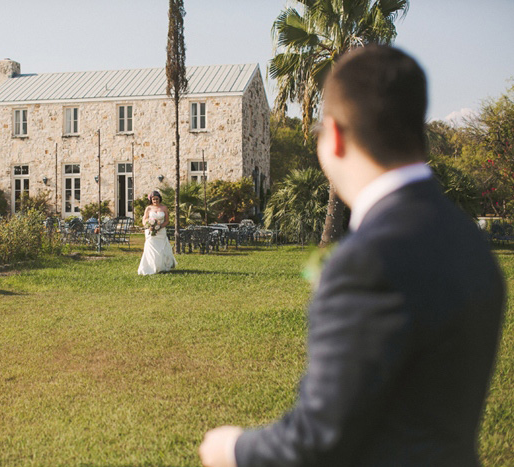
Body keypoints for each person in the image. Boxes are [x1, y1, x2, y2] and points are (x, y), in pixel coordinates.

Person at [199, 45, 505, 467]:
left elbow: (319, 439)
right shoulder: (472, 244)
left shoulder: (368, 263)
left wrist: (232, 449)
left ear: (336, 136)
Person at [138, 190, 177, 275]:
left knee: (161, 249)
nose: (155, 201)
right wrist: (149, 226)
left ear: (160, 199)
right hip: (150, 231)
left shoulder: (164, 208)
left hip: (161, 231)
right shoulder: (148, 208)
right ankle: (150, 267)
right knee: (151, 249)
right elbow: (144, 220)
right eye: (153, 199)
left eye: (157, 199)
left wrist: (160, 226)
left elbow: (167, 221)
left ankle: (161, 266)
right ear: (151, 200)